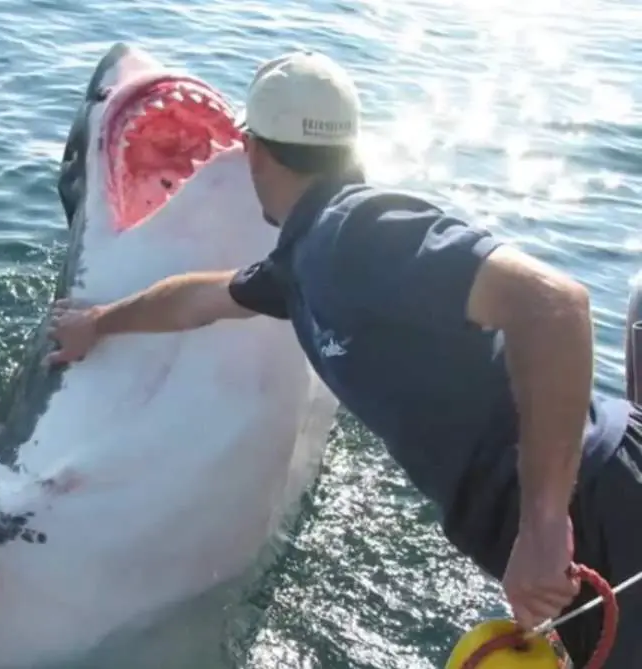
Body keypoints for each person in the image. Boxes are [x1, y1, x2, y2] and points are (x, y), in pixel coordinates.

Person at [45, 51, 642, 666]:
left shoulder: (356, 231)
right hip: (567, 521)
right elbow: (205, 297)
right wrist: (99, 323)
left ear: (253, 151)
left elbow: (556, 305)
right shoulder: (307, 260)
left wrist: (542, 525)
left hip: (601, 503)